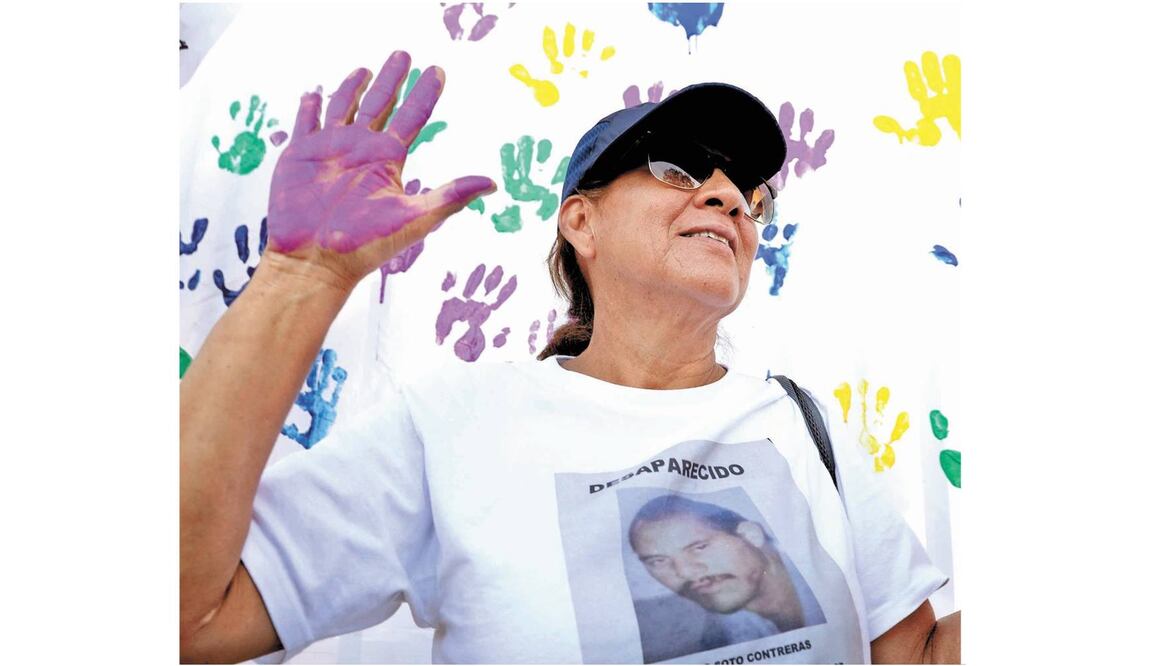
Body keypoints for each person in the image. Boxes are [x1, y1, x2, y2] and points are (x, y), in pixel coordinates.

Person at [180, 50, 961, 664]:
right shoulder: (453, 424)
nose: (728, 196)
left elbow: (916, 656)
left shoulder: (803, 423)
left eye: (749, 194)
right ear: (580, 223)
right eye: (679, 169)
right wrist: (302, 276)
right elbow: (189, 615)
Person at [628, 495, 824, 635]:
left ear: (750, 535)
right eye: (658, 561)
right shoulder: (719, 637)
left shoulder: (832, 577)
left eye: (699, 547)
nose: (685, 572)